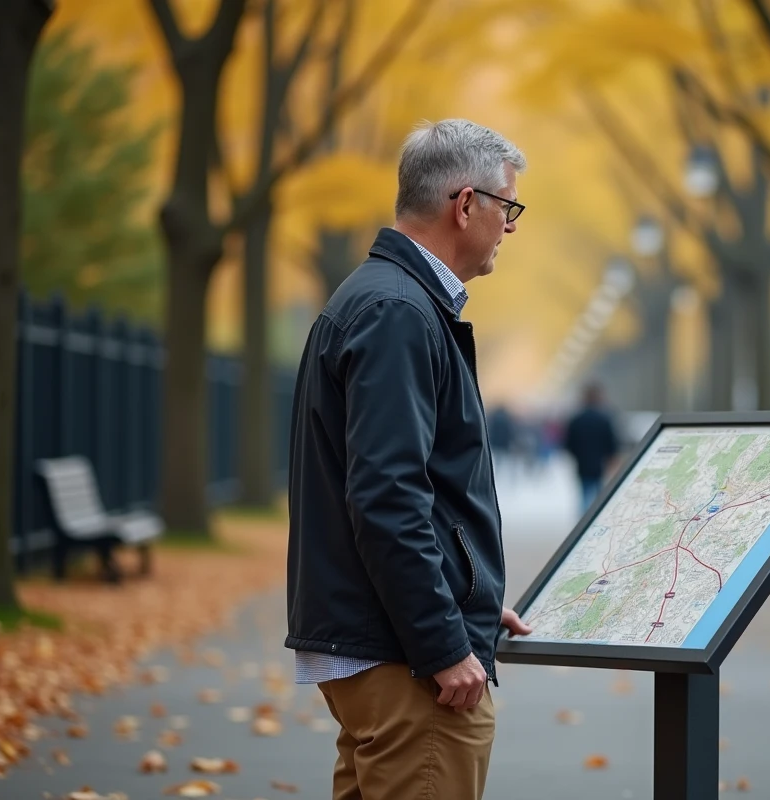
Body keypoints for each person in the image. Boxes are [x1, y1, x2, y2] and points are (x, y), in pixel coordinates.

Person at [285, 119, 533, 800]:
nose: (511, 225)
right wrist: (443, 642)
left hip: (384, 646)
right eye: (507, 205)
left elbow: (398, 487)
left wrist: (469, 596)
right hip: (408, 663)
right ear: (465, 205)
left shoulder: (384, 299)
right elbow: (388, 497)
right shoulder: (399, 313)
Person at [563, 382, 620, 513]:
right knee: (599, 497)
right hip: (599, 464)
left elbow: (568, 444)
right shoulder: (604, 419)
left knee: (584, 496)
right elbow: (611, 444)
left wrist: (578, 456)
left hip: (582, 464)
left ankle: (584, 520)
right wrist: (611, 459)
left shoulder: (576, 420)